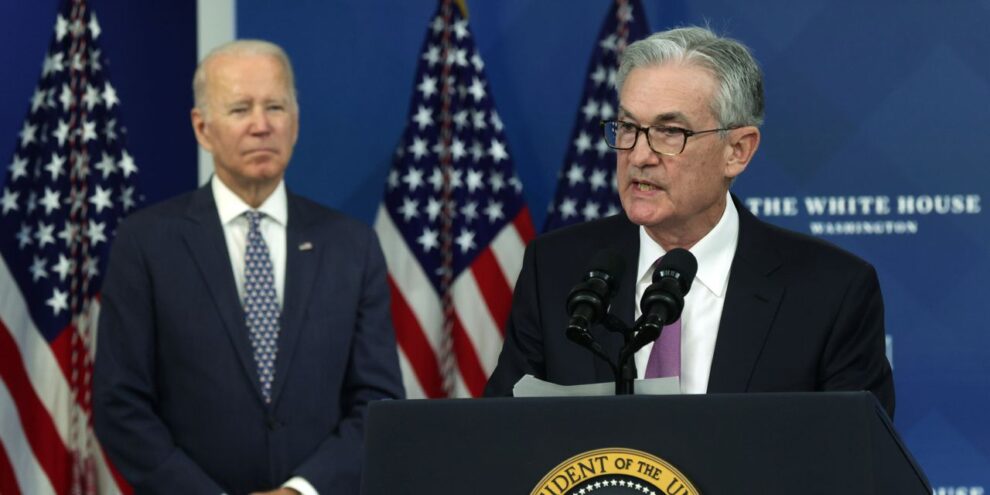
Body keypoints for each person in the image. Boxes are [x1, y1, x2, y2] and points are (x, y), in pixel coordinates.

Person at [484, 26, 895, 418]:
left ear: (737, 150)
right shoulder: (555, 269)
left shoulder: (831, 293)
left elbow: (854, 454)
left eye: (669, 131)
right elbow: (502, 435)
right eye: (628, 127)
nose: (638, 155)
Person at [93, 40, 404, 495]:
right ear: (202, 128)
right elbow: (119, 404)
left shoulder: (352, 247)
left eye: (275, 107)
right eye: (240, 109)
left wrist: (300, 491)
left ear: (295, 122)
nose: (262, 126)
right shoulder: (146, 244)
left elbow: (378, 403)